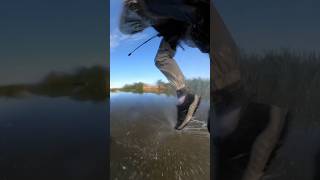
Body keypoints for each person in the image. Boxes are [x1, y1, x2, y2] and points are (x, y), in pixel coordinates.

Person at [119, 0, 209, 130]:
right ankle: (185, 98)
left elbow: (197, 12)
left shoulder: (150, 5)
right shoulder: (149, 12)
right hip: (177, 29)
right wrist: (167, 28)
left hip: (196, 22)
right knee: (161, 59)